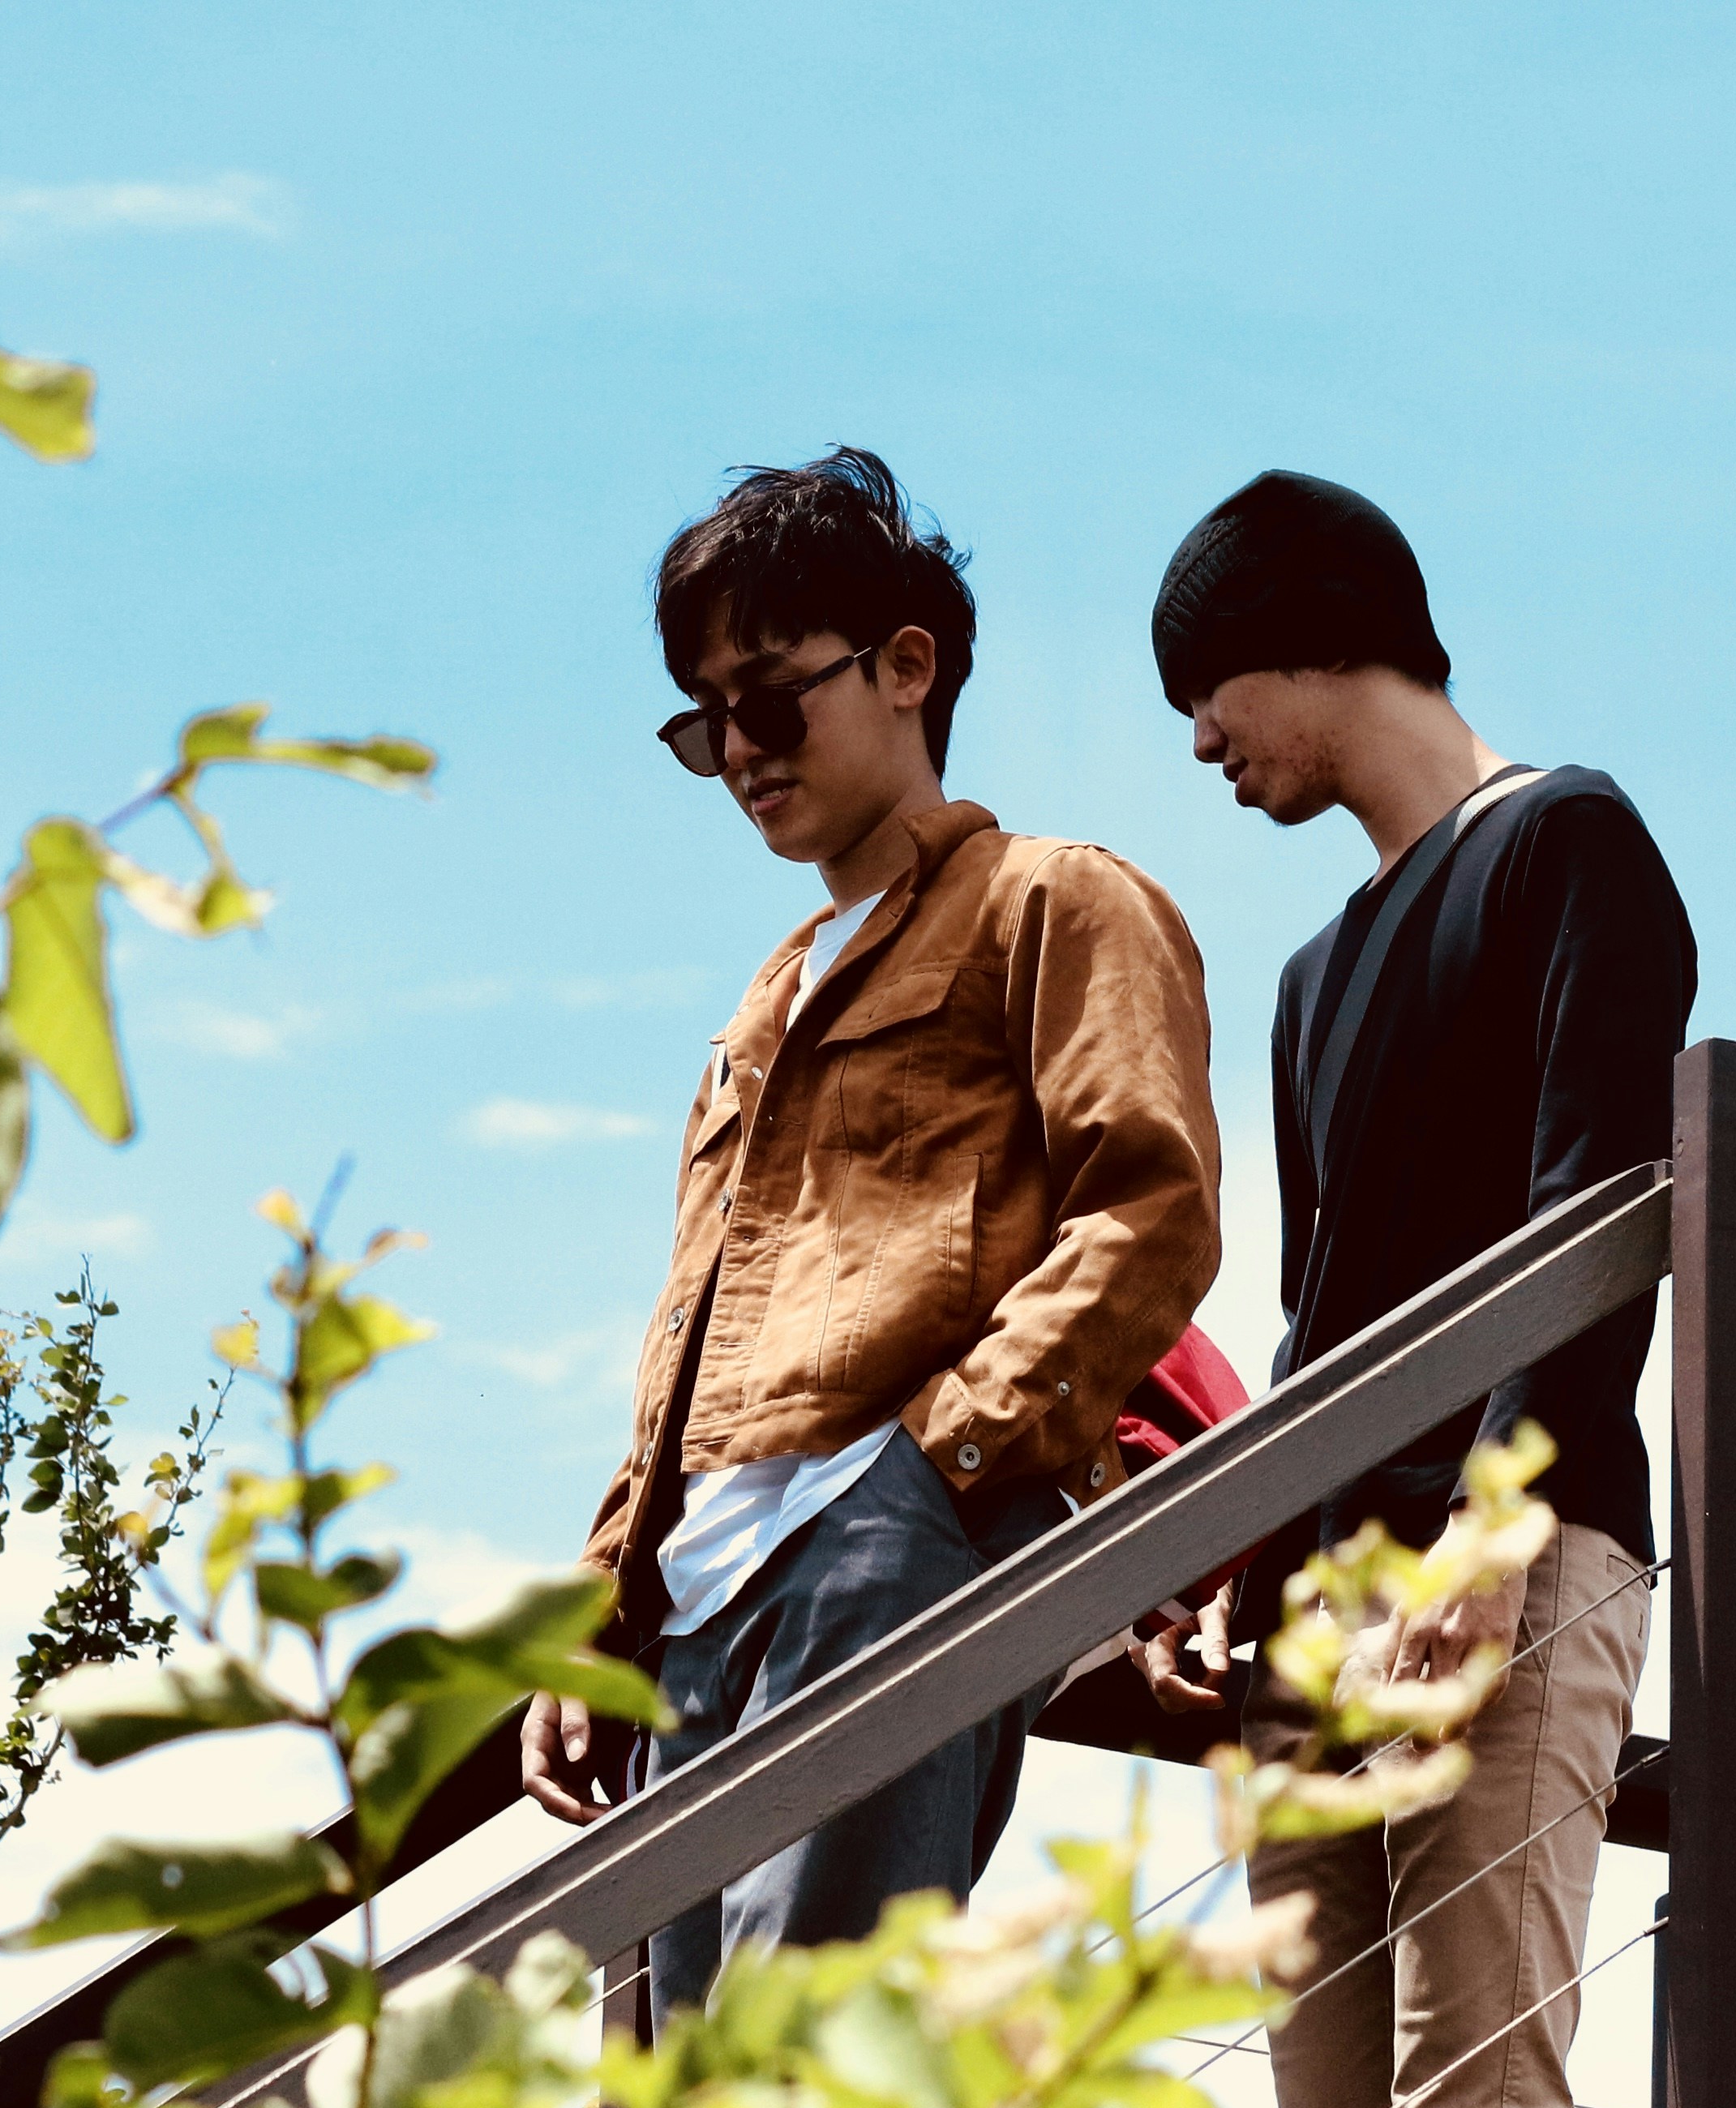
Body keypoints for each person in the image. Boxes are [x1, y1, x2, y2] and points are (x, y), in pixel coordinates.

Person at [519, 450, 1224, 2015]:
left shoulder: (1053, 902)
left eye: (770, 701)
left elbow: (1151, 1209)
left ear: (908, 668)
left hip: (880, 1549)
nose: (741, 753)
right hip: (689, 1616)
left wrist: (930, 1472)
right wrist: (594, 1607)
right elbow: (696, 1344)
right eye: (704, 723)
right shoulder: (760, 1006)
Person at [1130, 471, 1694, 2108]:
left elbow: (1594, 1209)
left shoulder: (1564, 839)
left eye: (1203, 694)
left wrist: (1492, 1533)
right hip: (1316, 1611)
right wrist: (1236, 1559)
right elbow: (1315, 1324)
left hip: (1508, 1546)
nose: (1201, 744)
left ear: (1300, 642)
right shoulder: (1308, 975)